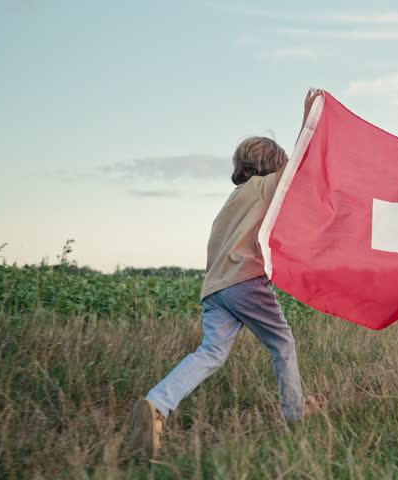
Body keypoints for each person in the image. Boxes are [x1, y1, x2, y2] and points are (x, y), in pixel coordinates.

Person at [131, 90, 325, 458]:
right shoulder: (264, 187)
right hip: (245, 282)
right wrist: (308, 117)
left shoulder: (232, 201)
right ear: (270, 166)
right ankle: (295, 412)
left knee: (211, 353)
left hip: (214, 290)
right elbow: (300, 164)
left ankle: (158, 404)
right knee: (282, 343)